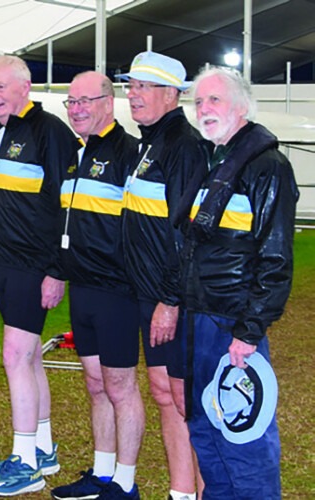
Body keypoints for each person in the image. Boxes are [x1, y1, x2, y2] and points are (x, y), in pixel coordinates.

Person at [178, 66, 295, 499]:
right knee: (205, 428)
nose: (204, 110)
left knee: (243, 433)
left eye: (214, 100)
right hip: (200, 318)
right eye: (199, 102)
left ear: (241, 107)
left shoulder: (266, 166)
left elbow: (276, 255)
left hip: (232, 324)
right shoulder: (216, 163)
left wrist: (248, 331)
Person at [0, 55, 78, 497]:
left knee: (15, 356)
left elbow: (67, 204)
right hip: (2, 264)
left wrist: (57, 270)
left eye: (1, 86)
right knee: (31, 356)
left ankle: (25, 464)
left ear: (25, 87)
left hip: (31, 263)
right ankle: (42, 447)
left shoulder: (48, 131)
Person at [50, 71, 145, 500]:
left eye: (85, 101)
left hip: (117, 289)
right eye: (71, 102)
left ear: (109, 102)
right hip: (83, 286)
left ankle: (126, 482)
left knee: (120, 385)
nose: (77, 109)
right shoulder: (77, 153)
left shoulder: (129, 153)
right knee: (95, 383)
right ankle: (102, 472)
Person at [117, 51, 204, 500]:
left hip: (172, 297)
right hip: (148, 292)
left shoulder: (183, 147)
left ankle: (199, 491)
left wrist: (170, 301)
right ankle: (182, 491)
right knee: (165, 392)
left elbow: (188, 233)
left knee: (182, 397)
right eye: (130, 87)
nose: (132, 96)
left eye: (143, 87)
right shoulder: (147, 143)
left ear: (171, 95)